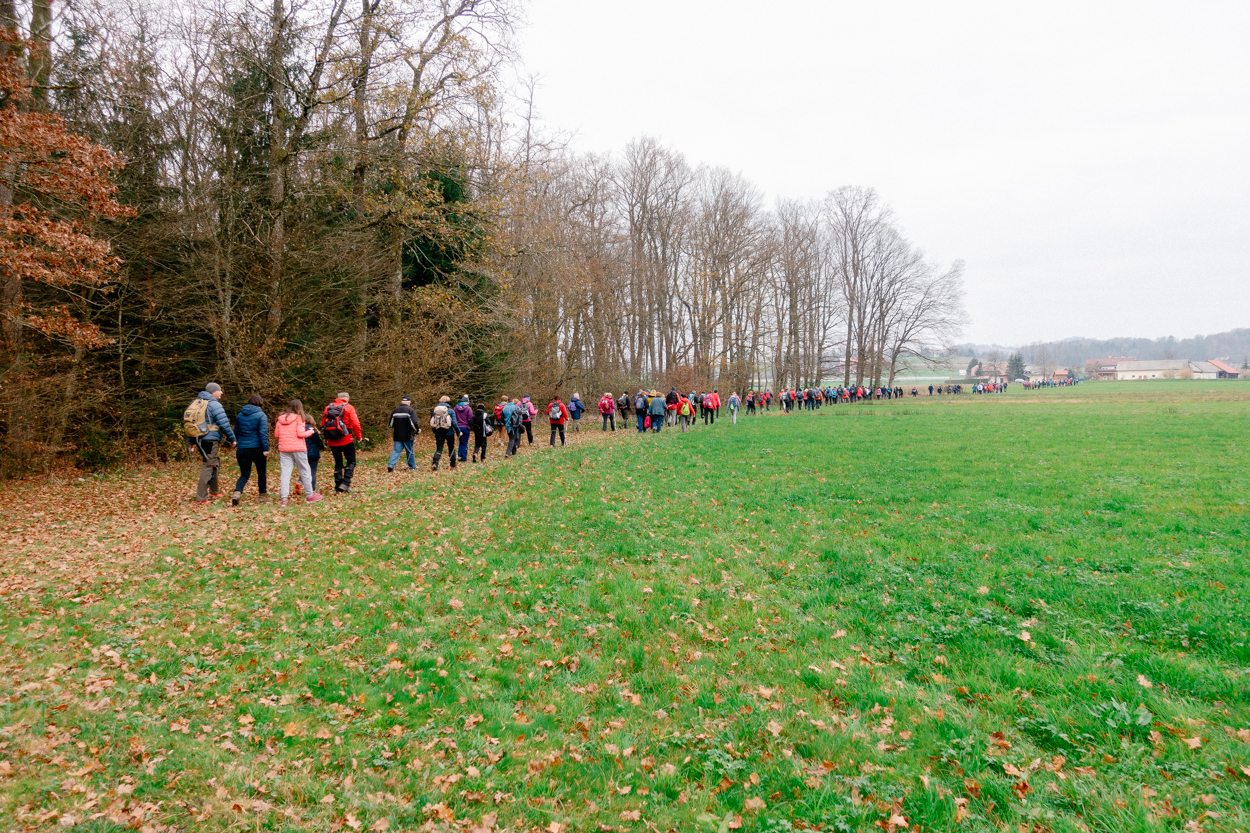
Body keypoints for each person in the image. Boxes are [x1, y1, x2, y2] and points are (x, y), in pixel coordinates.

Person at [185, 382, 236, 503]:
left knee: (215, 462)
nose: (221, 392)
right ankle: (201, 497)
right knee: (208, 465)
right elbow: (224, 424)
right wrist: (232, 439)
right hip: (210, 439)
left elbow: (190, 424)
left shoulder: (196, 403)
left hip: (199, 438)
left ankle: (214, 492)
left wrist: (191, 442)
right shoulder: (214, 405)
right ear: (213, 392)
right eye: (219, 390)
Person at [273, 400, 322, 506]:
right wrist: (311, 432)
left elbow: (277, 435)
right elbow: (300, 434)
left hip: (284, 449)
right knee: (305, 471)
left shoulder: (280, 419)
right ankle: (310, 495)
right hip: (299, 448)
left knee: (285, 474)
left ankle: (284, 499)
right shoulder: (299, 418)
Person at [231, 393, 269, 506]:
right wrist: (265, 448)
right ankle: (262, 495)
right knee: (261, 472)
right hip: (257, 448)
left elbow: (236, 432)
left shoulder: (240, 415)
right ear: (260, 403)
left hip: (242, 448)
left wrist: (236, 441)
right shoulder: (261, 415)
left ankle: (237, 492)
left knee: (245, 473)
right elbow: (263, 433)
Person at [322, 392, 362, 494]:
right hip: (346, 439)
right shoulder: (349, 407)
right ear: (347, 398)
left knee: (338, 463)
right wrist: (358, 437)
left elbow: (323, 424)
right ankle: (345, 483)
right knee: (351, 461)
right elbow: (356, 424)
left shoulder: (328, 407)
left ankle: (338, 486)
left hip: (332, 441)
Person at [388, 395, 419, 472]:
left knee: (396, 451)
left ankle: (391, 465)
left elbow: (391, 424)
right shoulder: (411, 411)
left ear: (401, 402)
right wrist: (417, 430)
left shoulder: (395, 411)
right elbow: (414, 423)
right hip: (408, 435)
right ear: (409, 402)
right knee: (410, 451)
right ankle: (412, 467)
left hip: (397, 435)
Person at [430, 395, 460, 470]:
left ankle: (435, 463)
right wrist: (458, 432)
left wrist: (435, 431)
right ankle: (453, 465)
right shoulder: (450, 411)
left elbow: (433, 422)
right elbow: (454, 423)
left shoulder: (435, 410)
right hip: (449, 432)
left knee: (439, 449)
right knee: (451, 448)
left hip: (439, 432)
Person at [304, 415, 324, 494]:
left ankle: (300, 481)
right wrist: (322, 447)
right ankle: (312, 489)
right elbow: (319, 442)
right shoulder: (313, 430)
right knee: (312, 471)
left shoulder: (299, 429)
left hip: (303, 453)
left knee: (304, 470)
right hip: (313, 453)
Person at [454, 395, 473, 462]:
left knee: (460, 442)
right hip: (466, 427)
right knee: (464, 443)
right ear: (467, 402)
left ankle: (459, 455)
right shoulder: (468, 408)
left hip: (458, 427)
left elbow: (454, 418)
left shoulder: (455, 408)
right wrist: (471, 426)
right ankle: (464, 458)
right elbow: (470, 418)